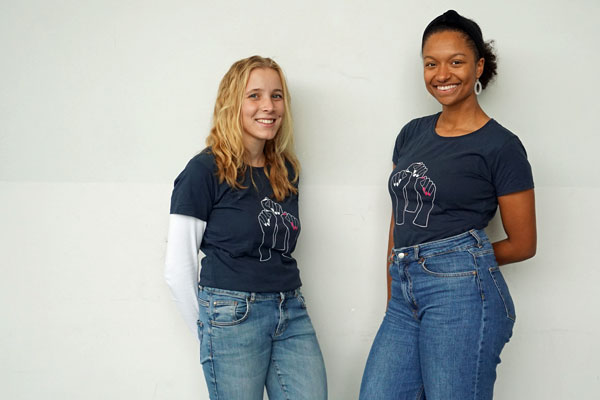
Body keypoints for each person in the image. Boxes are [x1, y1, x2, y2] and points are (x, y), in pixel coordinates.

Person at [359, 10, 536, 400]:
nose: (443, 74)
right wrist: (396, 285)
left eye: (456, 62)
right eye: (431, 63)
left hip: (462, 294)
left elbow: (523, 244)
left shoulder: (501, 147)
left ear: (479, 67)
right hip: (405, 293)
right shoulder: (411, 135)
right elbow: (399, 218)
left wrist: (454, 260)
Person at [164, 56, 327, 400]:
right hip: (232, 315)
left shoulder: (286, 170)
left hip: (290, 309)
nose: (268, 106)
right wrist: (211, 327)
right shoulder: (203, 171)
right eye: (254, 95)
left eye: (276, 95)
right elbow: (178, 267)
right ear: (232, 103)